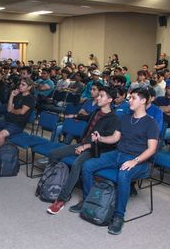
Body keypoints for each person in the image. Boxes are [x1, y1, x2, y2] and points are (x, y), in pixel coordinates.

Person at [70, 88, 159, 235]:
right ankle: (88, 201)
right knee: (87, 166)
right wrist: (100, 138)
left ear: (143, 101)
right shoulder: (124, 118)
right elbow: (115, 138)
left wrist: (134, 161)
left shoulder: (150, 123)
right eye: (129, 97)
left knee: (123, 175)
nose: (129, 100)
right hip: (118, 154)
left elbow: (152, 149)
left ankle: (118, 217)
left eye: (133, 98)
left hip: (139, 161)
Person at [46, 87, 120, 215]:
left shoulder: (113, 119)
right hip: (83, 143)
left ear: (109, 100)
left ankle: (61, 199)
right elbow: (84, 118)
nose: (97, 98)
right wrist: (73, 116)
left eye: (101, 96)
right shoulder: (96, 112)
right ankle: (57, 181)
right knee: (53, 154)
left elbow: (105, 141)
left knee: (76, 165)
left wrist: (85, 147)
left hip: (96, 149)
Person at [0, 78, 36, 153]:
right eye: (20, 84)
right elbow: (9, 109)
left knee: (0, 136)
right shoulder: (17, 95)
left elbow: (22, 112)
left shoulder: (30, 98)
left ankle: (2, 156)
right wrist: (12, 96)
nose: (20, 86)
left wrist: (13, 110)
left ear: (29, 87)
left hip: (17, 125)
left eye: (23, 85)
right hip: (7, 121)